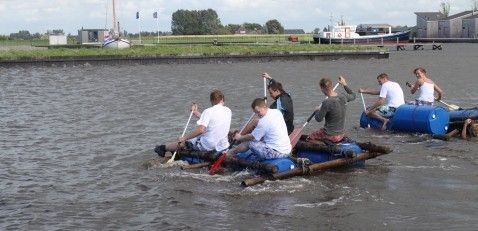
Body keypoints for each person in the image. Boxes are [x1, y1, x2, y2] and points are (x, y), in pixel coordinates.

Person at [154, 90, 232, 157]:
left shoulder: (208, 111)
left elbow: (201, 130)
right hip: (223, 146)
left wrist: (184, 138)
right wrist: (195, 112)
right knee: (195, 138)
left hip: (209, 146)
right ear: (222, 99)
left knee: (185, 142)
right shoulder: (228, 111)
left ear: (211, 100)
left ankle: (163, 148)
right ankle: (170, 149)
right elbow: (212, 120)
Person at [227, 98, 291, 160]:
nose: (258, 114)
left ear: (264, 107)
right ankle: (237, 143)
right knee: (256, 123)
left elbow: (252, 137)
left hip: (277, 153)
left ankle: (232, 152)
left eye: (258, 112)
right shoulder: (276, 111)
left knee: (249, 142)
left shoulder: (264, 121)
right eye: (256, 113)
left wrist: (240, 137)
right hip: (287, 149)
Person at [307, 76, 356, 143]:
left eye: (321, 88)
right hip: (341, 134)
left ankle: (325, 147)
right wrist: (344, 84)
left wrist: (317, 110)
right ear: (332, 86)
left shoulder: (326, 102)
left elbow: (318, 119)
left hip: (330, 135)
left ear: (322, 88)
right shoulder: (343, 96)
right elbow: (353, 95)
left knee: (310, 137)